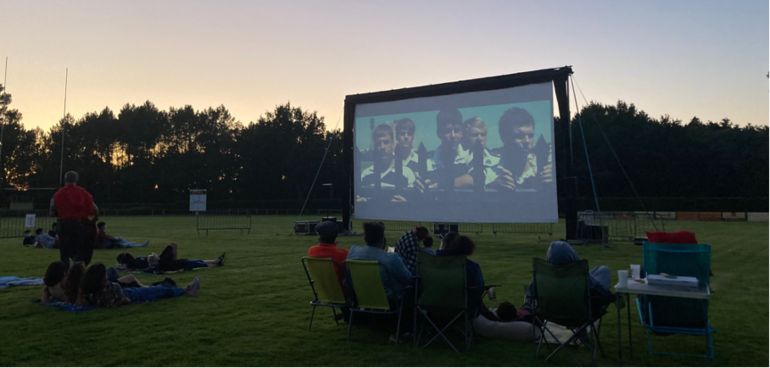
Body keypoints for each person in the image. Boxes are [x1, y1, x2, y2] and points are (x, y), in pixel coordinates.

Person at [523, 241, 612, 309]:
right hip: (579, 311)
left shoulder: (543, 276)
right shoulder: (580, 275)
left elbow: (529, 295)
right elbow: (600, 291)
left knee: (601, 270)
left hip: (551, 312)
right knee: (604, 270)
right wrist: (613, 297)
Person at [76, 263, 200, 308]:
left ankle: (182, 289)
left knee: (157, 289)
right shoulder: (110, 289)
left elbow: (80, 304)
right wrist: (123, 300)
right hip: (133, 294)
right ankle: (186, 289)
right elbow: (125, 301)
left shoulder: (90, 291)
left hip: (129, 292)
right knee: (160, 290)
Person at [346, 222, 413, 303]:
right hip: (389, 301)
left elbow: (347, 280)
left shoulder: (353, 253)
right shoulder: (392, 258)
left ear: (365, 238)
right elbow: (408, 278)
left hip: (361, 299)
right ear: (383, 239)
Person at [496, 107, 553, 190]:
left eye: (530, 136)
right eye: (519, 136)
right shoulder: (489, 170)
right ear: (504, 137)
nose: (526, 141)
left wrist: (555, 183)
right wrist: (492, 187)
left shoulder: (544, 169)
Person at [50, 171, 95, 269]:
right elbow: (92, 209)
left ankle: (66, 274)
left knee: (64, 253)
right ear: (76, 180)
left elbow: (52, 212)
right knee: (79, 251)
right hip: (79, 224)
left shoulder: (58, 194)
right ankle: (78, 273)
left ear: (65, 180)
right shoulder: (84, 193)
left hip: (63, 225)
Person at [360, 124, 417, 194]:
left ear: (393, 144)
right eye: (378, 143)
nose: (382, 147)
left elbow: (412, 200)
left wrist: (405, 202)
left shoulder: (407, 173)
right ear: (374, 146)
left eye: (386, 142)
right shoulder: (366, 174)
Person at [462, 116, 515, 189]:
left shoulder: (499, 163)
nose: (480, 138)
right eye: (475, 135)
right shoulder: (459, 163)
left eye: (483, 135)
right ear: (465, 137)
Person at [425, 109, 472, 189]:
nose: (453, 135)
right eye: (447, 131)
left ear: (462, 133)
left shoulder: (469, 157)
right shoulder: (429, 163)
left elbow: (473, 179)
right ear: (439, 133)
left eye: (456, 130)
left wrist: (442, 185)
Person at [307, 221, 349, 296]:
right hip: (344, 292)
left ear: (319, 236)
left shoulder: (312, 250)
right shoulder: (343, 253)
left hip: (324, 292)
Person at [152, 243, 225, 272]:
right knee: (201, 264)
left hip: (184, 263)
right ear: (156, 259)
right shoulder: (163, 260)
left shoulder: (161, 262)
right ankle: (217, 262)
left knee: (200, 261)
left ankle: (217, 261)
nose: (155, 254)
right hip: (185, 264)